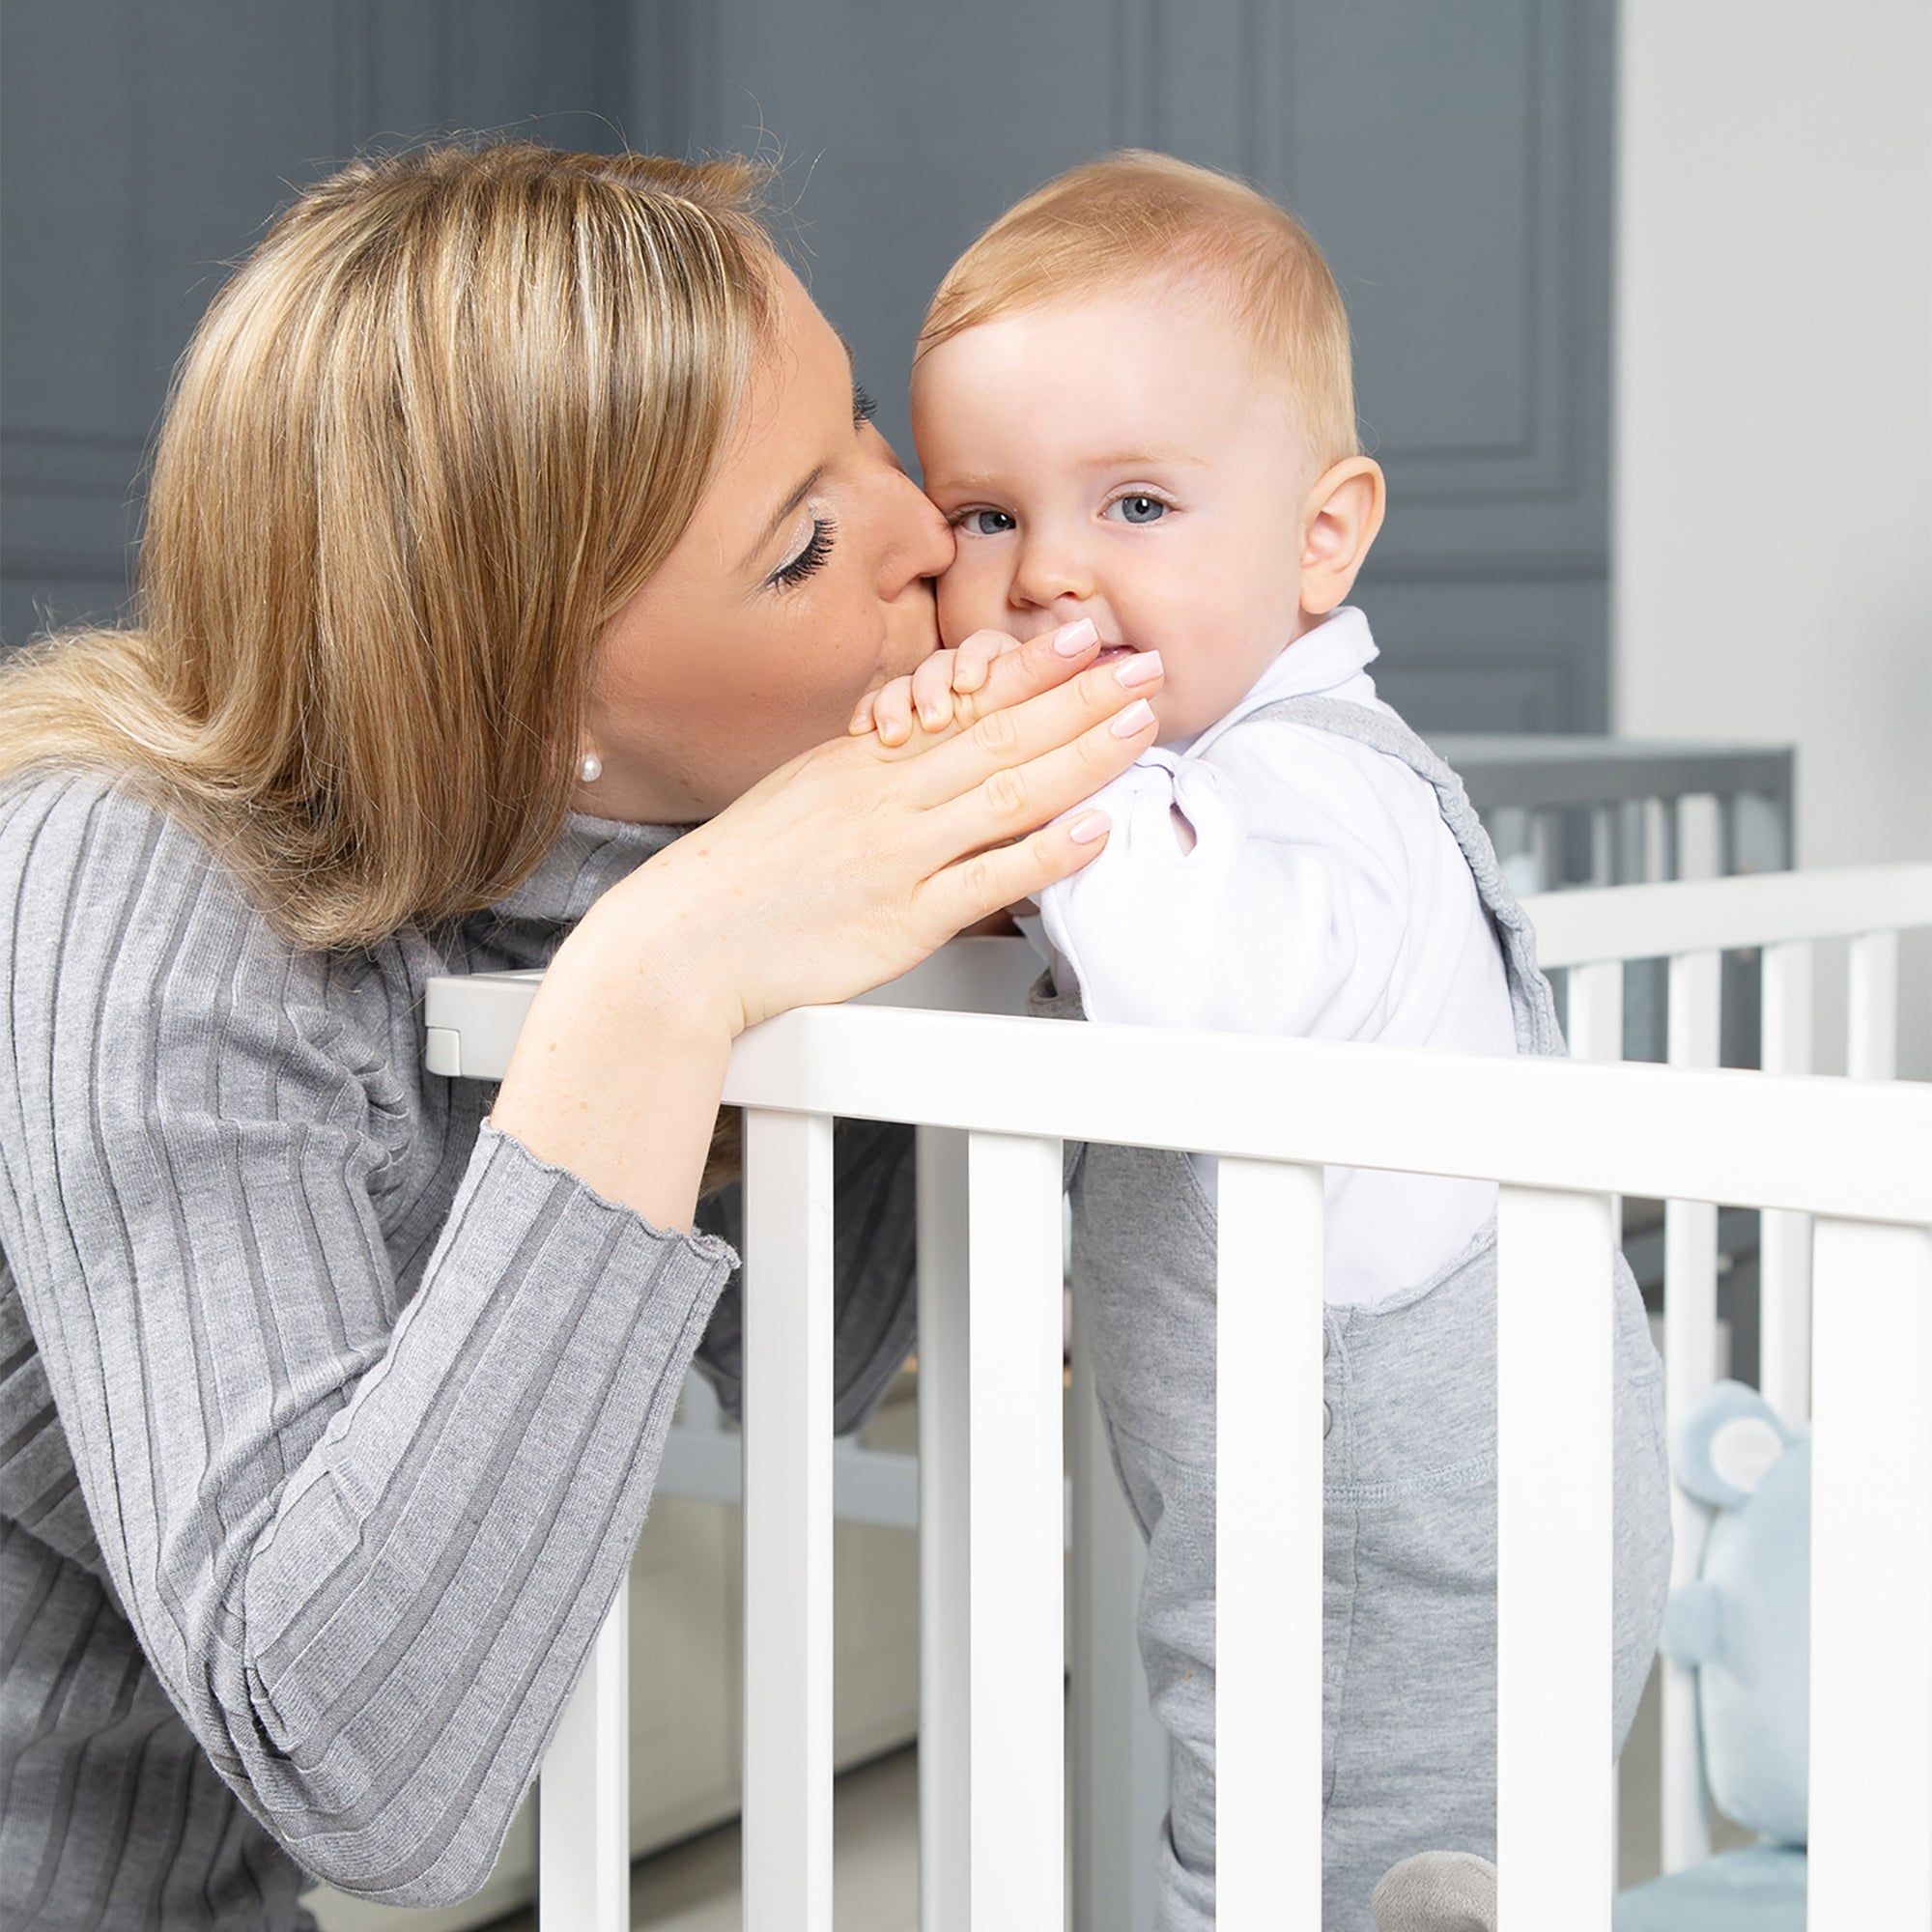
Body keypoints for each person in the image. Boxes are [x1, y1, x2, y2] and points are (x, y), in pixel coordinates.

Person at [0, 139, 1168, 1929]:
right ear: (529, 709)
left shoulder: (577, 856)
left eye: (863, 427)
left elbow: (811, 1356)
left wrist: (953, 928)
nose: (931, 532)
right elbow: (361, 1777)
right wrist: (659, 984)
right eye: (804, 546)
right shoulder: (126, 866)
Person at [854, 150, 1673, 1930]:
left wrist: (1014, 755)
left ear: (1323, 533)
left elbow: (1195, 977)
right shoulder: (1247, 788)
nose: (1048, 575)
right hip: (1403, 1549)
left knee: (1282, 1887)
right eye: (987, 517)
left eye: (1136, 505)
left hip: (1395, 1577)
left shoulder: (1300, 796)